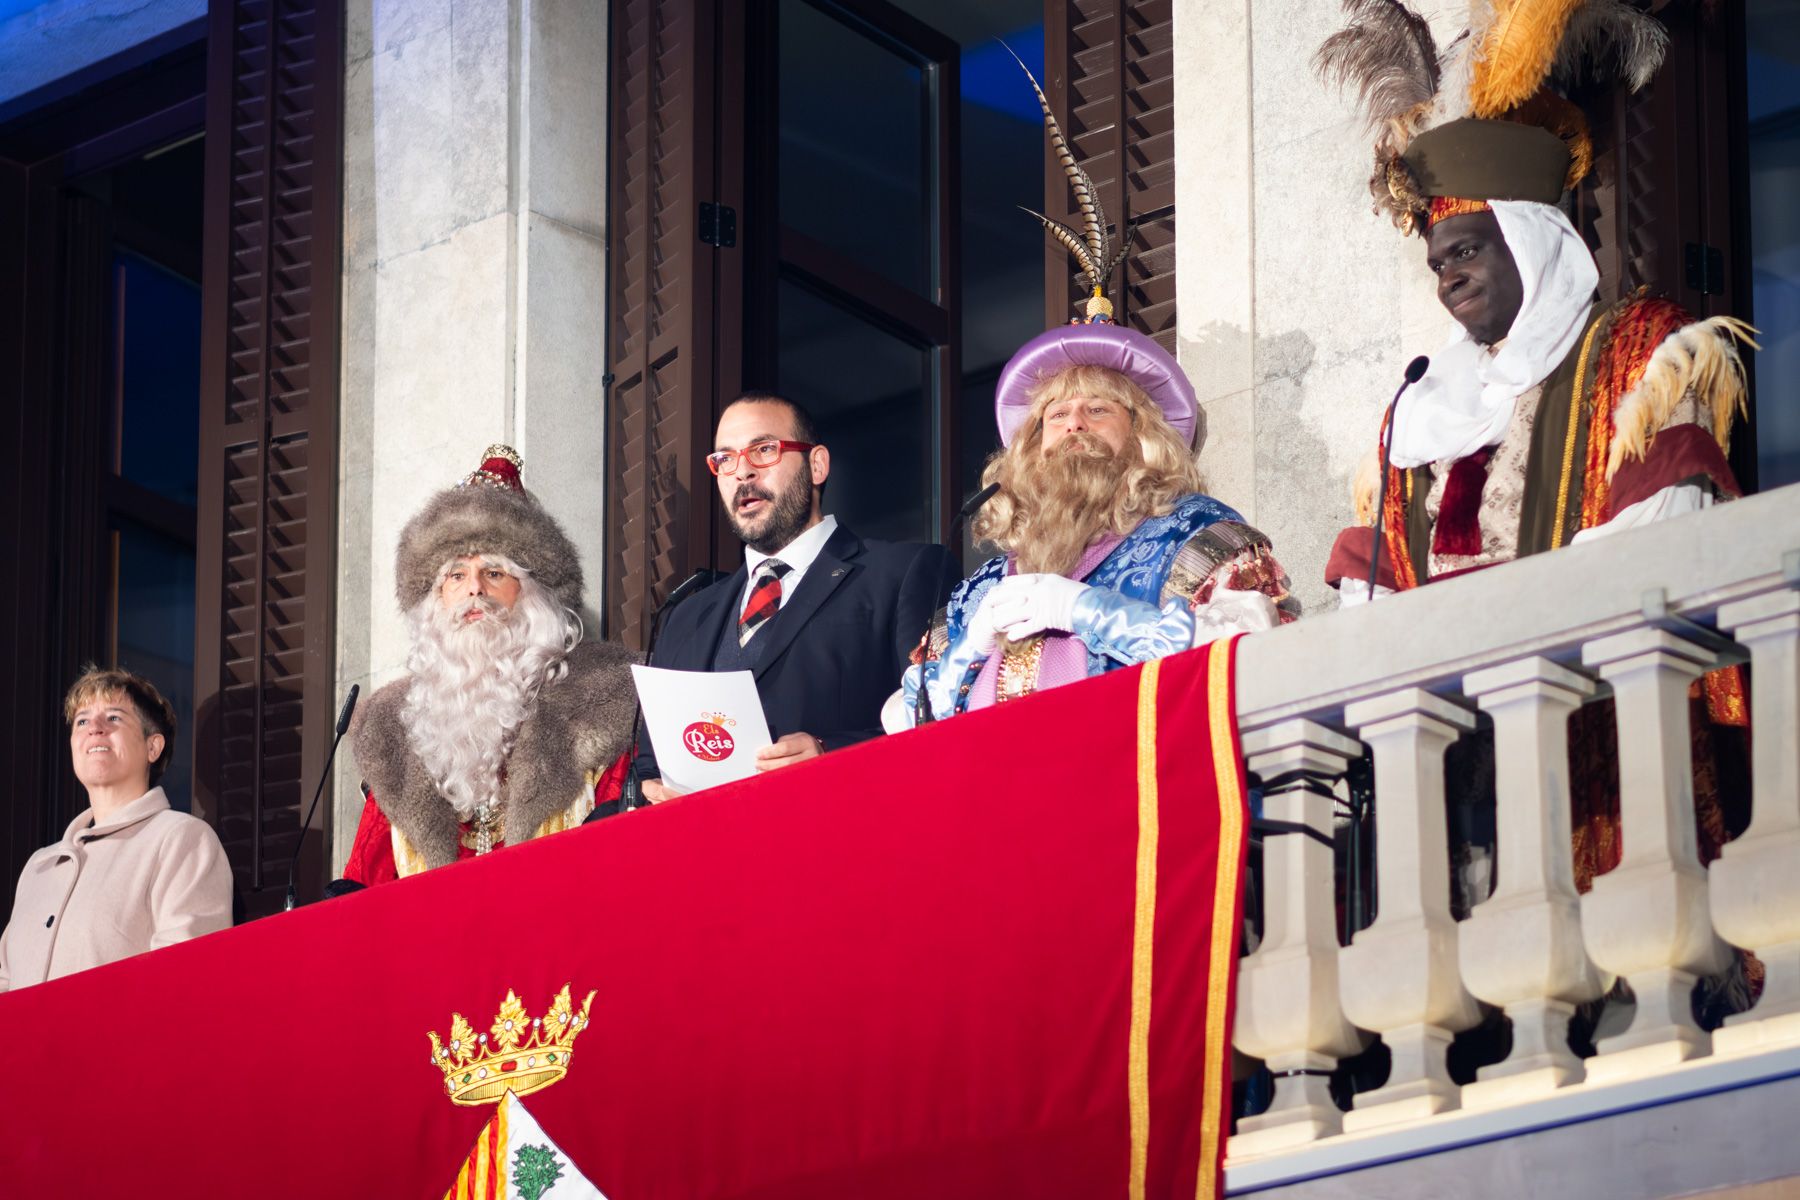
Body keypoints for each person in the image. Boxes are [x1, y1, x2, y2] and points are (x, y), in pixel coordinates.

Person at [896, 64, 1295, 725]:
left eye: (1097, 408)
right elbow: (899, 722)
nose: (1072, 424)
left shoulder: (1198, 536)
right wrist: (965, 649)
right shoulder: (978, 595)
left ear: (1141, 437)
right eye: (1054, 415)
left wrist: (1084, 610)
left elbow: (1247, 650)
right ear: (1030, 446)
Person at [637, 392, 957, 803]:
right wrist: (648, 788)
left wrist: (831, 755)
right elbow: (648, 762)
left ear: (817, 464)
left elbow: (941, 720)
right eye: (725, 459)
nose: (743, 473)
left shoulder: (906, 572)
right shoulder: (685, 615)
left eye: (764, 450)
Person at [342, 445, 638, 882]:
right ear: (437, 600)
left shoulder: (605, 701)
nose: (474, 591)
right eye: (456, 576)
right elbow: (365, 887)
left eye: (495, 573)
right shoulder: (394, 732)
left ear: (533, 595)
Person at [0, 667, 231, 991]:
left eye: (113, 718)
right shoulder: (40, 866)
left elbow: (185, 980)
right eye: (82, 721)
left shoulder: (181, 840)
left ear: (153, 747)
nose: (94, 729)